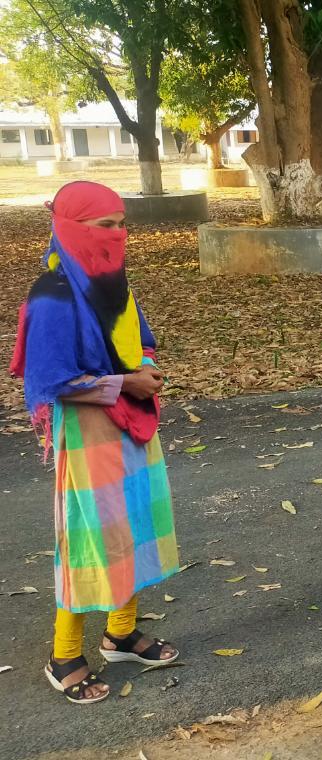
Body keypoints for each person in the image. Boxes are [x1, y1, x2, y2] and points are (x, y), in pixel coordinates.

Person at [9, 181, 181, 704]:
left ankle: (121, 633)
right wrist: (123, 382)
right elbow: (50, 380)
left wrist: (145, 371)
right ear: (69, 227)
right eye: (104, 225)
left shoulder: (116, 286)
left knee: (136, 524)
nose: (117, 234)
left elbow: (143, 342)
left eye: (121, 223)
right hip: (87, 433)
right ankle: (64, 654)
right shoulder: (53, 296)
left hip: (133, 423)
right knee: (89, 540)